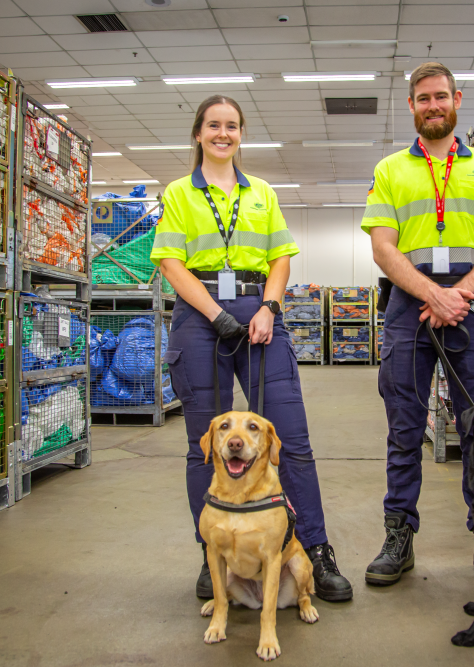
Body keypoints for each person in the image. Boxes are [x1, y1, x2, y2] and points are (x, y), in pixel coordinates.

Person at [152, 95, 352, 602]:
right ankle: (211, 555)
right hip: (199, 319)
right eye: (214, 125)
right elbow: (172, 264)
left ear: (241, 134)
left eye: (233, 126)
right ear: (199, 133)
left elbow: (281, 258)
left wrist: (269, 307)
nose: (223, 133)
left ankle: (314, 549)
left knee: (291, 442)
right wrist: (214, 315)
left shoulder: (261, 192)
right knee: (207, 448)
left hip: (259, 315)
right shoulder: (179, 192)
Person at [360, 62, 474, 586]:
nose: (433, 105)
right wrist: (432, 294)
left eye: (441, 97)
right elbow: (383, 246)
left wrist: (458, 295)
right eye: (422, 98)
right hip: (411, 307)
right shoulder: (391, 170)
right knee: (404, 430)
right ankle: (399, 537)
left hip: (470, 304)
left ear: (456, 100)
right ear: (411, 106)